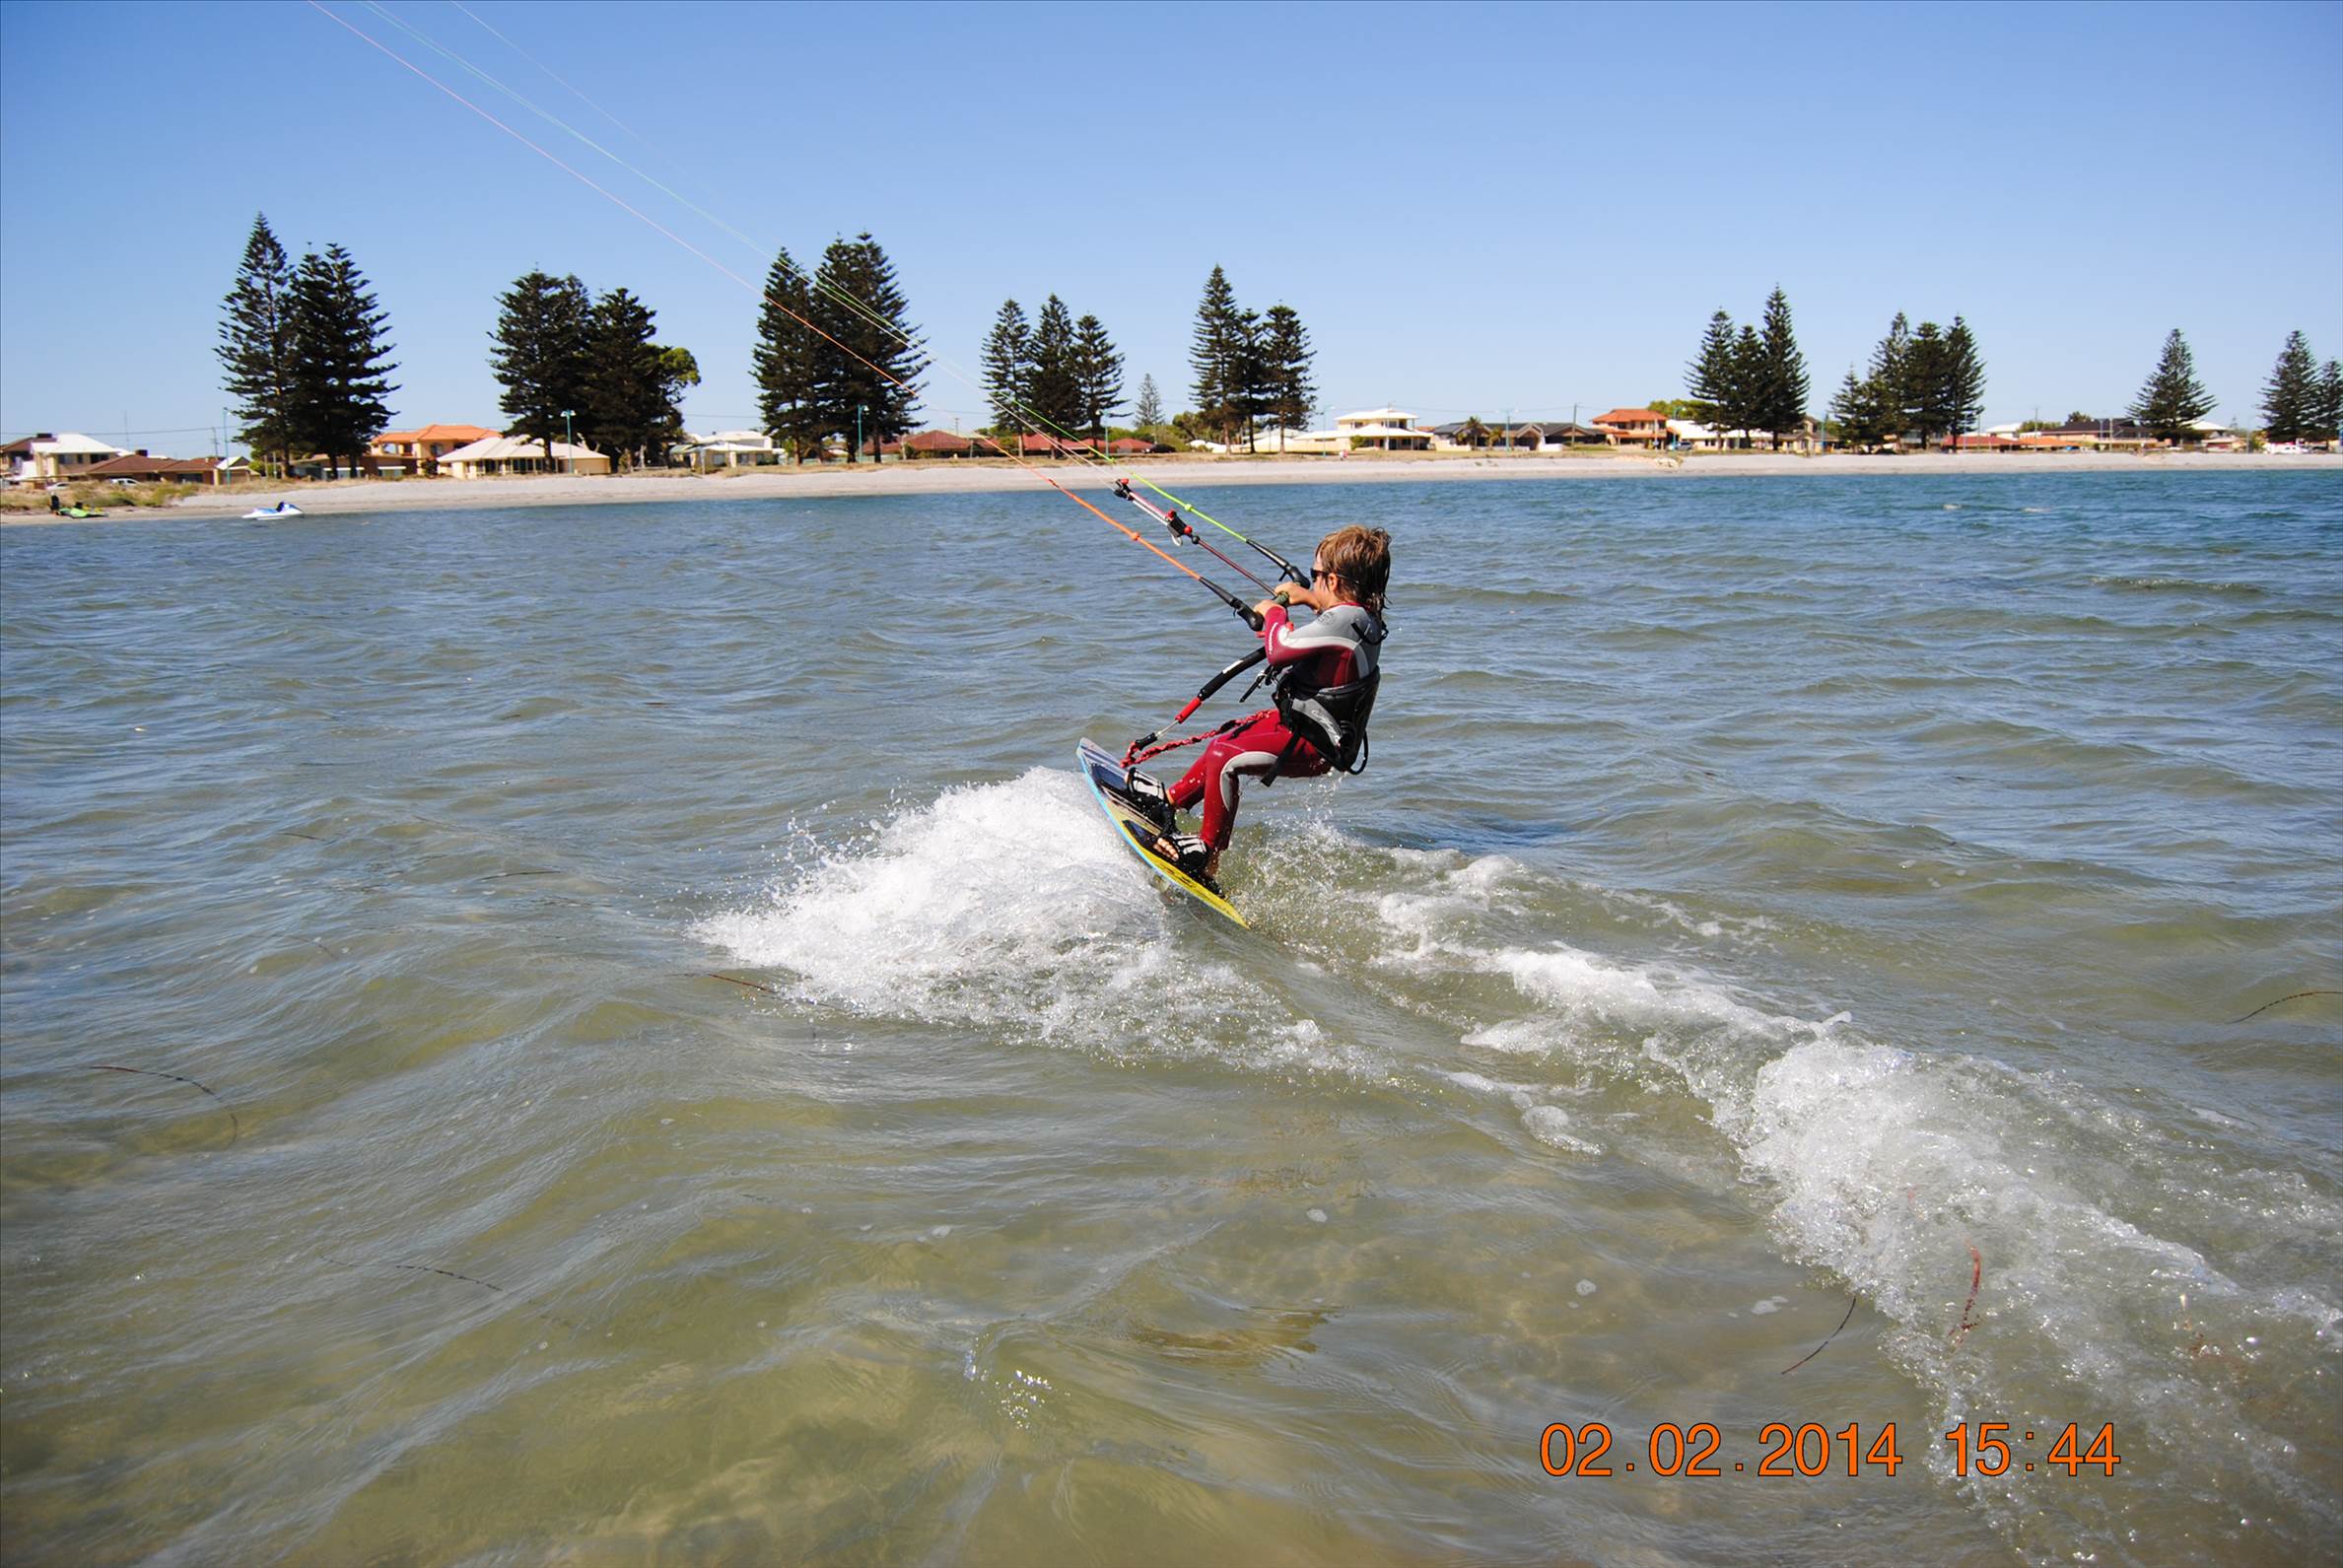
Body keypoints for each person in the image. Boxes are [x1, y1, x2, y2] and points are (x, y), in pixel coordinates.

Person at [1133, 524, 1389, 883]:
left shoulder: (1347, 620)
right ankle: (1169, 802)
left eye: (1315, 575)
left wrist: (1273, 614)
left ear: (1333, 581)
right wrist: (1308, 598)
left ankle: (1207, 855)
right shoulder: (1363, 617)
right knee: (1231, 738)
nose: (1312, 581)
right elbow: (1328, 621)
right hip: (1303, 725)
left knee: (1224, 757)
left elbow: (1279, 650)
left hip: (1315, 742)